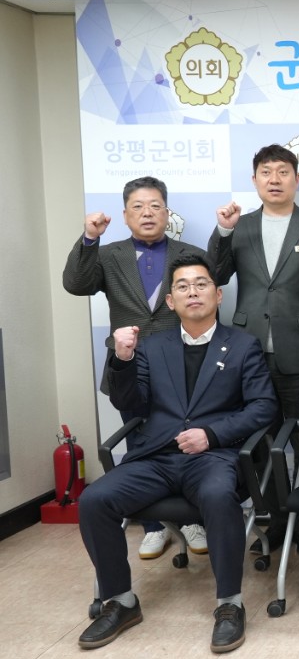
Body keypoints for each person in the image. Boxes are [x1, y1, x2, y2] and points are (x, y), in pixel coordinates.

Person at [76, 254, 277, 653]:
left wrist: (212, 434)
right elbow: (130, 403)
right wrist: (122, 360)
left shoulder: (243, 346)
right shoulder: (152, 347)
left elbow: (263, 407)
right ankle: (121, 601)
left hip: (213, 458)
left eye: (201, 284)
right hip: (156, 457)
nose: (193, 292)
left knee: (218, 495)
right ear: (171, 301)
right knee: (94, 500)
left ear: (218, 295)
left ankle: (229, 604)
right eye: (183, 286)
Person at [63, 176, 210, 560]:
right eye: (138, 207)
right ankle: (153, 527)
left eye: (155, 206)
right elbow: (76, 284)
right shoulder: (108, 254)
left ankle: (192, 520)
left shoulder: (189, 254)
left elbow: (213, 286)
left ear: (167, 212)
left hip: (181, 365)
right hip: (129, 367)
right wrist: (89, 239)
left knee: (187, 441)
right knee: (139, 445)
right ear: (126, 215)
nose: (147, 213)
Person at [207, 143, 299, 548]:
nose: (275, 179)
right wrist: (224, 231)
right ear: (255, 180)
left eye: (283, 172)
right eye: (266, 172)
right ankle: (276, 519)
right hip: (249, 353)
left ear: (296, 179)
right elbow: (216, 276)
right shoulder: (240, 226)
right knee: (260, 440)